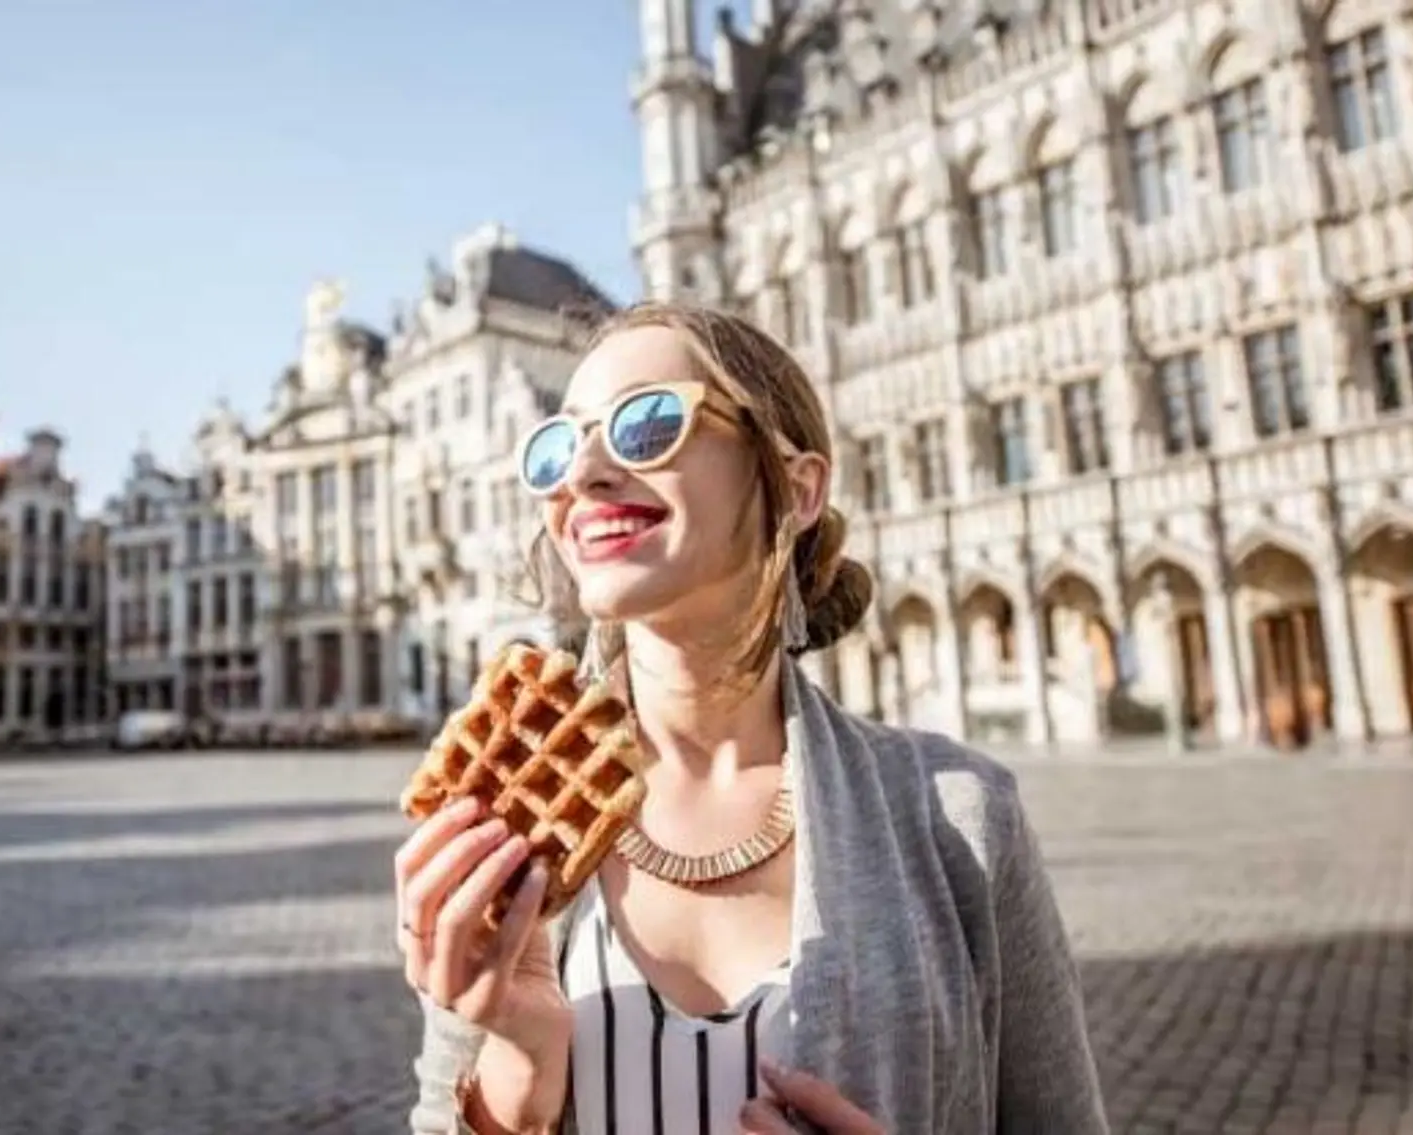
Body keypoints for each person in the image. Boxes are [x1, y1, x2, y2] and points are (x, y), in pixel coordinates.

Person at [393, 302, 1108, 1134]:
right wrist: (515, 1074)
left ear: (796, 488)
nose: (582, 471)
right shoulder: (503, 824)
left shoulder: (962, 819)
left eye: (645, 423)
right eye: (558, 444)